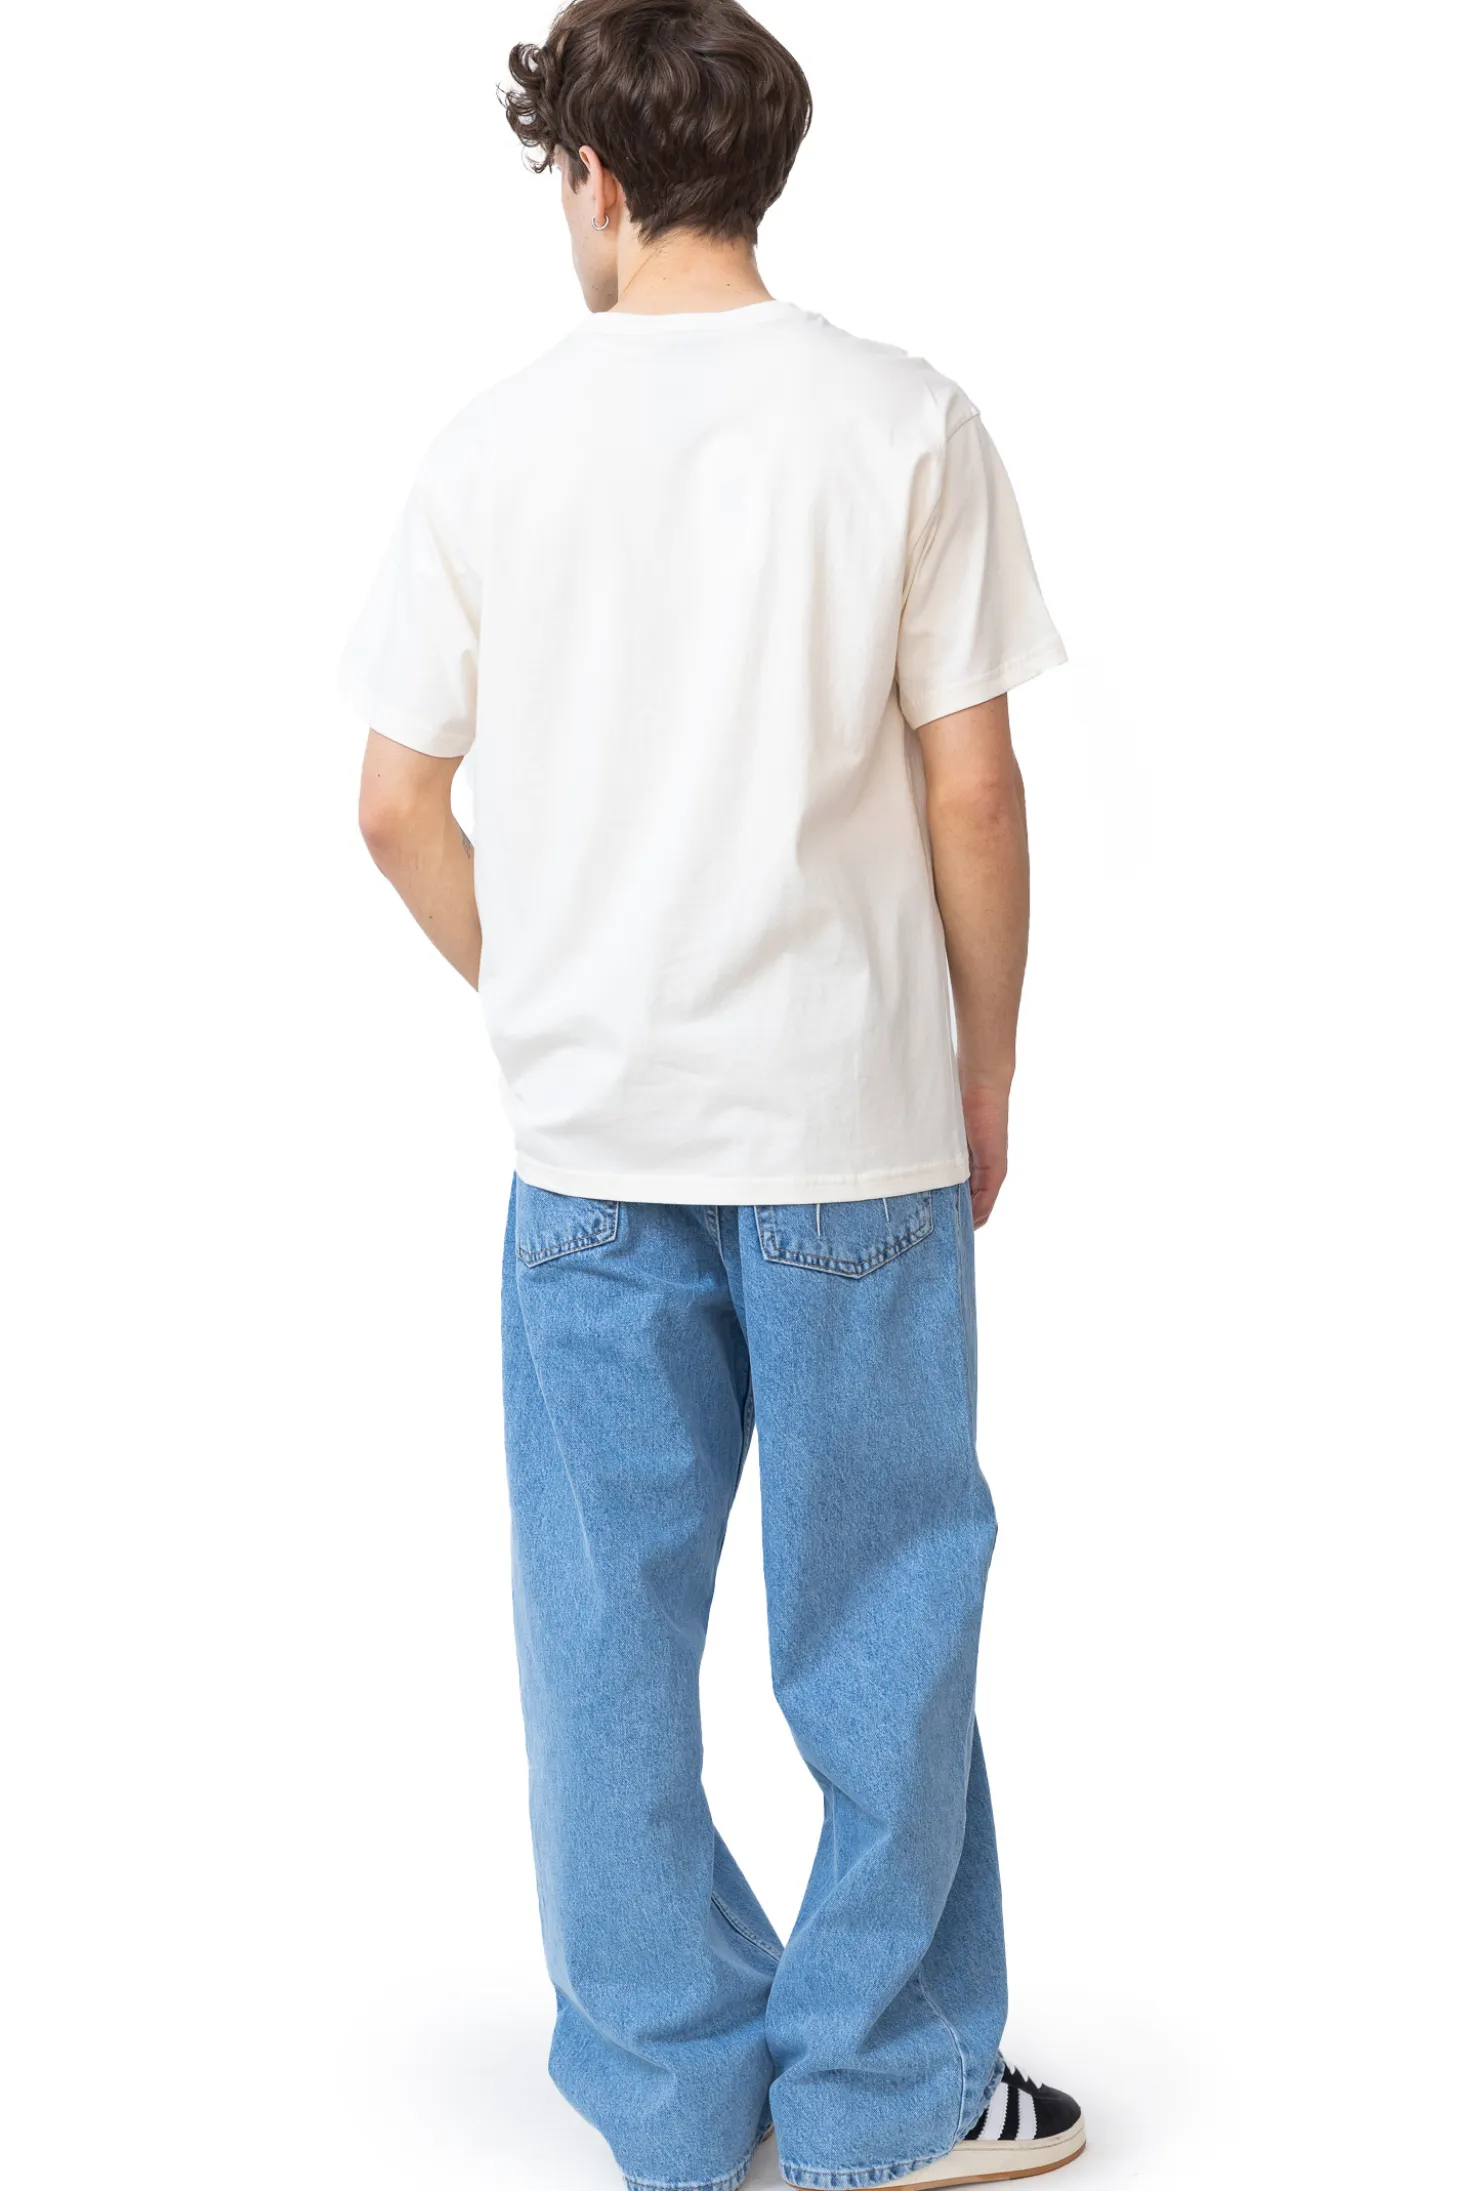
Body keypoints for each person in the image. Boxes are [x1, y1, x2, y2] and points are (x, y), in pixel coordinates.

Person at [339, 4, 1082, 2186]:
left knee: (602, 1644)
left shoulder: (491, 449)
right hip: (849, 1134)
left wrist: (551, 990)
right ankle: (883, 2091)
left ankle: (672, 2099)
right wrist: (984, 1059)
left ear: (591, 175)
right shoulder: (905, 424)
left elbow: (393, 805)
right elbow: (974, 789)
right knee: (883, 1623)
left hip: (591, 1151)